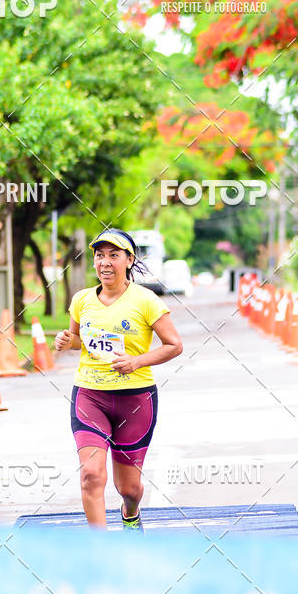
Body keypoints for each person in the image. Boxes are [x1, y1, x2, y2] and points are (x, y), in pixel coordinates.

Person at [55, 228, 183, 532]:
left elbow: (174, 345)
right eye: (100, 256)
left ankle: (130, 512)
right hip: (90, 395)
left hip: (135, 401)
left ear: (129, 260)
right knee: (91, 475)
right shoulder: (82, 300)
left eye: (114, 255)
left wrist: (136, 361)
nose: (105, 262)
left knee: (128, 488)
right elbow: (78, 340)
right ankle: (101, 550)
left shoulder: (146, 300)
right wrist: (65, 339)